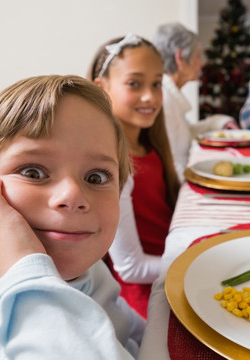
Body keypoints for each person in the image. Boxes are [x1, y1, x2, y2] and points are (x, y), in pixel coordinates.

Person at [0, 75, 145, 359]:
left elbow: (132, 334)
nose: (73, 196)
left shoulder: (91, 271)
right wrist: (24, 270)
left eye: (96, 177)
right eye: (33, 172)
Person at [88, 34, 180, 318]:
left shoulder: (148, 146)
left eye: (156, 84)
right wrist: (196, 261)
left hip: (170, 264)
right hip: (148, 294)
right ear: (101, 89)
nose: (150, 96)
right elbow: (130, 268)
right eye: (134, 83)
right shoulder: (114, 163)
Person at [153, 22, 238, 181]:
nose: (202, 63)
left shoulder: (170, 95)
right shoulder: (165, 99)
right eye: (198, 56)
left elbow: (186, 134)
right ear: (180, 58)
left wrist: (219, 122)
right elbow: (172, 162)